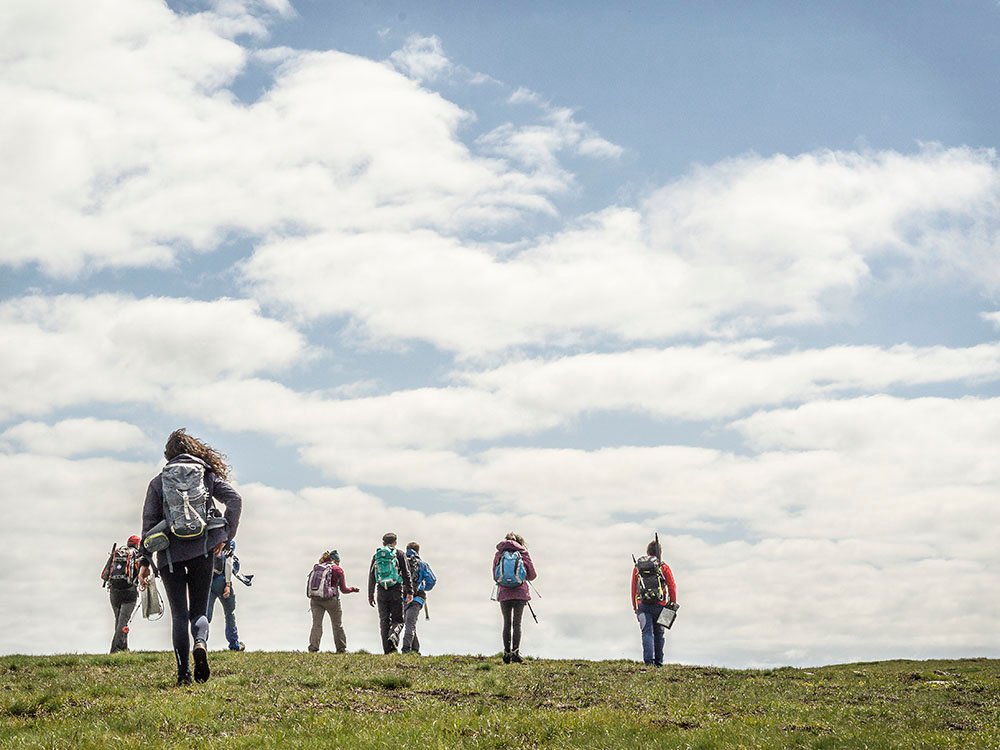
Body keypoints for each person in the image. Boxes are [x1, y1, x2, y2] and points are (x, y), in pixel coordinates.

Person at [137, 428, 242, 686]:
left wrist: (144, 560)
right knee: (198, 611)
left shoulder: (159, 481)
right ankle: (201, 643)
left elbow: (149, 523)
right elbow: (235, 500)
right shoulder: (207, 475)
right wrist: (225, 536)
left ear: (168, 455)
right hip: (203, 552)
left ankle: (183, 674)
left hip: (169, 556)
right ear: (194, 450)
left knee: (179, 615)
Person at [630, 539, 678, 667]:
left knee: (646, 632)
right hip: (661, 606)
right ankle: (658, 662)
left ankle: (648, 662)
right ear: (660, 552)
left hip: (643, 605)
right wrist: (672, 604)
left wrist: (635, 607)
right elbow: (672, 586)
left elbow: (634, 588)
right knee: (659, 633)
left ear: (648, 552)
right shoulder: (663, 567)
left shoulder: (638, 568)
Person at [492, 532, 536, 664]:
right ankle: (515, 654)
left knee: (507, 623)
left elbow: (495, 575)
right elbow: (533, 575)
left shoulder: (499, 553)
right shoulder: (523, 553)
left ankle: (506, 654)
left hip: (504, 593)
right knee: (517, 624)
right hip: (520, 593)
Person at [367, 532, 413, 654]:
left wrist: (370, 594)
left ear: (383, 542)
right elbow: (406, 574)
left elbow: (372, 576)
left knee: (384, 620)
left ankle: (387, 651)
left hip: (381, 590)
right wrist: (410, 592)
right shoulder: (399, 554)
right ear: (395, 542)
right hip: (396, 589)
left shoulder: (377, 556)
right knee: (398, 619)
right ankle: (393, 635)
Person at [307, 549, 360, 653]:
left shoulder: (318, 568)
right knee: (337, 625)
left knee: (316, 624)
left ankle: (313, 648)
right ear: (336, 560)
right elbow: (344, 590)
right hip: (332, 600)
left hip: (315, 599)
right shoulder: (338, 569)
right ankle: (341, 649)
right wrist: (353, 589)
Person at [101, 535, 141, 653]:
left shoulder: (116, 554)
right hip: (129, 592)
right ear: (137, 544)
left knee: (119, 621)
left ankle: (123, 648)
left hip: (114, 592)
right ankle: (115, 649)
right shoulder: (137, 554)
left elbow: (104, 575)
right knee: (123, 622)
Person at [207, 540, 247, 651]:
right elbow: (228, 563)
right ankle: (234, 644)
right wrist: (228, 585)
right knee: (229, 613)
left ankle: (201, 642)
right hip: (222, 581)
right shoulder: (230, 543)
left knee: (206, 616)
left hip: (207, 582)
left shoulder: (207, 541)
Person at [401, 541, 436, 655]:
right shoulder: (422, 564)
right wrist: (424, 587)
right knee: (410, 624)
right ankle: (407, 650)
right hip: (417, 598)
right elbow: (432, 580)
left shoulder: (401, 562)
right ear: (418, 551)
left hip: (403, 597)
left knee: (409, 623)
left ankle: (414, 649)